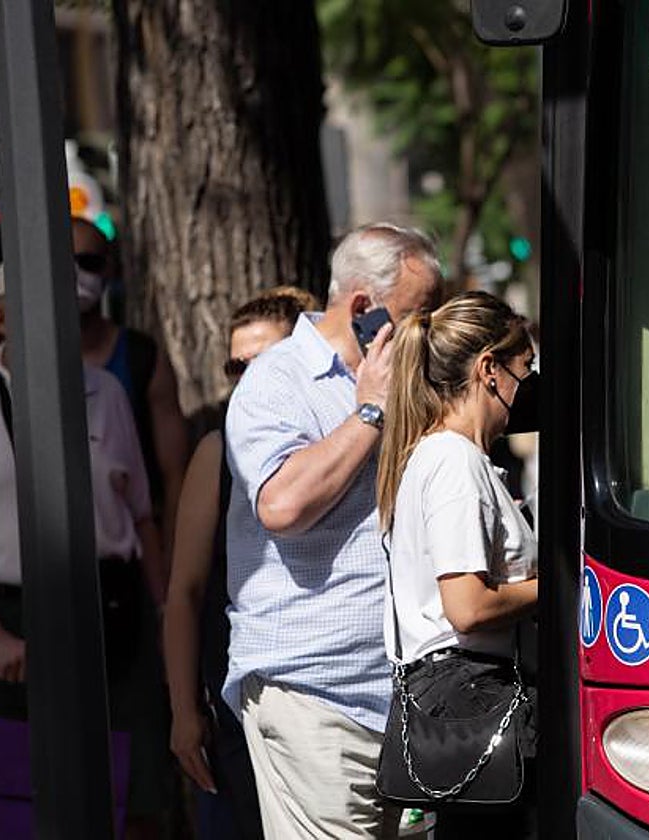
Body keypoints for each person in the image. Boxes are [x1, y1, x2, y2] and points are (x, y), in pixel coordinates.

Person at [0, 263, 170, 835]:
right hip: (1, 619)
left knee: (135, 796)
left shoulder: (108, 392)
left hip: (114, 614)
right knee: (1, 806)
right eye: (46, 314)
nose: (65, 327)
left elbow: (141, 517)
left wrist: (164, 621)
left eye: (72, 314)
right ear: (0, 318)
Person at [225, 223, 441, 839]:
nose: (427, 329)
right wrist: (370, 413)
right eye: (418, 314)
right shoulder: (276, 381)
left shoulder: (411, 377)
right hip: (317, 698)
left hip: (407, 697)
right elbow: (283, 506)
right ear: (364, 308)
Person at [376, 290, 539, 839]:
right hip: (469, 691)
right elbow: (467, 606)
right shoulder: (452, 460)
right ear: (489, 370)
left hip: (456, 692)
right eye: (525, 369)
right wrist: (558, 589)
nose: (527, 387)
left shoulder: (441, 456)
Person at [165, 288, 317, 840]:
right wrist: (184, 711)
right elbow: (184, 589)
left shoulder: (345, 439)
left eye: (267, 360)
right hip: (239, 701)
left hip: (332, 693)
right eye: (238, 365)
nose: (250, 377)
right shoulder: (217, 452)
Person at [73, 216, 190, 554]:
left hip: (135, 550)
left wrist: (172, 564)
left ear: (108, 270)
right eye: (63, 262)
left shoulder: (142, 357)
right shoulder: (23, 362)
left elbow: (175, 475)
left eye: (88, 262)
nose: (75, 274)